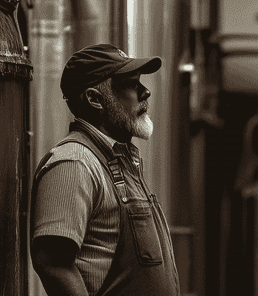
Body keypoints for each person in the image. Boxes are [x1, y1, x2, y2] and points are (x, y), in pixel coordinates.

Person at [31, 44, 180, 296]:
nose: (146, 92)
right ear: (95, 99)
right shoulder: (75, 162)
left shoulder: (120, 159)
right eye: (131, 84)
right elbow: (54, 264)